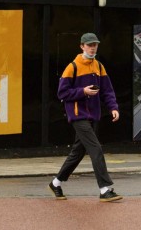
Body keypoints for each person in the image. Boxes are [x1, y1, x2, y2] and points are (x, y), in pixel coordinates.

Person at [48, 32, 122, 202]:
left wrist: (113, 107)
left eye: (95, 44)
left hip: (92, 115)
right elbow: (62, 93)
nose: (93, 47)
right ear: (82, 46)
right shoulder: (72, 67)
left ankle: (56, 183)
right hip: (77, 115)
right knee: (95, 148)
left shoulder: (99, 66)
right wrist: (83, 91)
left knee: (77, 153)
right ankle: (105, 189)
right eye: (89, 45)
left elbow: (107, 90)